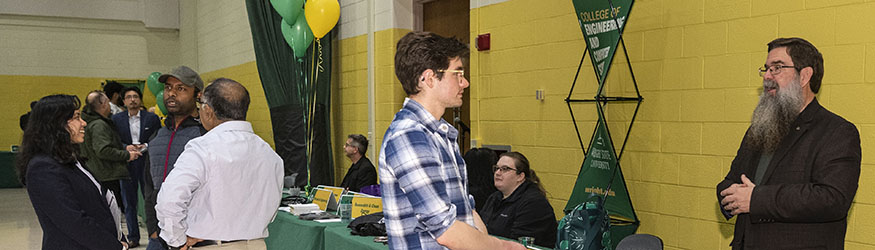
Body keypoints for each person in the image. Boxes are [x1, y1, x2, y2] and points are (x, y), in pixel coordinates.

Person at [379, 31, 525, 250]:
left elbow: (467, 212)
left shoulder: (440, 135)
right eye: (457, 73)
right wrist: (506, 248)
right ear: (429, 78)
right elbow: (446, 231)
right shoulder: (409, 135)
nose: (464, 82)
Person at [717, 37, 861, 250]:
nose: (767, 76)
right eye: (766, 69)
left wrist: (755, 199)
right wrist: (732, 197)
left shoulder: (837, 131)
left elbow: (833, 199)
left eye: (777, 68)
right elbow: (730, 182)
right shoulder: (760, 127)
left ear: (805, 76)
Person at [157, 78, 283, 250]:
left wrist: (177, 241)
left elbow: (169, 200)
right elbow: (271, 209)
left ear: (208, 111)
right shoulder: (269, 154)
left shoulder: (202, 148)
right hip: (256, 244)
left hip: (211, 245)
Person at [17, 94, 128, 249]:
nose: (83, 123)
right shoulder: (43, 167)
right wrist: (114, 246)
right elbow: (73, 220)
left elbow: (98, 204)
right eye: (76, 117)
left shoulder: (70, 160)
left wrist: (118, 237)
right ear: (56, 123)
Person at [144, 65, 206, 250]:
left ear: (198, 95)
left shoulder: (206, 135)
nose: (171, 93)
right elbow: (148, 184)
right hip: (159, 236)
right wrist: (152, 228)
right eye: (168, 88)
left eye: (181, 88)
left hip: (194, 236)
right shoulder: (157, 136)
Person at [112, 86, 161, 248]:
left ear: (140, 100)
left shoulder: (151, 118)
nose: (132, 99)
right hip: (126, 162)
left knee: (150, 197)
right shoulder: (117, 120)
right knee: (129, 201)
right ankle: (133, 236)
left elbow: (157, 136)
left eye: (135, 96)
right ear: (124, 101)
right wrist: (127, 147)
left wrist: (145, 146)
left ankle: (155, 234)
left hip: (146, 160)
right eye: (129, 97)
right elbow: (114, 140)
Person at [80, 91, 142, 218]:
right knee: (111, 214)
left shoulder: (93, 122)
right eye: (108, 102)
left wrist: (123, 147)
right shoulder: (99, 125)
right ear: (103, 104)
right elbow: (103, 150)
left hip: (101, 173)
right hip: (106, 175)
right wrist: (126, 155)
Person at [480, 152, 557, 248]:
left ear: (520, 176)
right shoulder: (494, 197)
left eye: (505, 169)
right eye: (496, 168)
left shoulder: (534, 203)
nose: (498, 173)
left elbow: (518, 243)